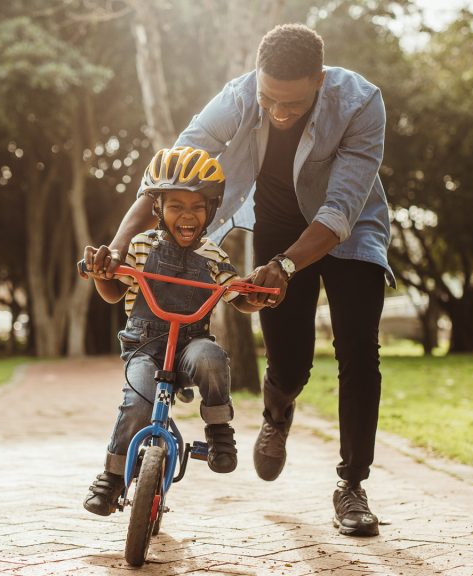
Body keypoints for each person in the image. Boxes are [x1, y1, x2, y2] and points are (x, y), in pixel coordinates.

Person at [88, 24, 395, 536]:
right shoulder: (237, 96)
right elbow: (170, 173)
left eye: (292, 104)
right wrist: (118, 246)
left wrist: (288, 267)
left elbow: (341, 208)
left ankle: (352, 485)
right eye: (269, 98)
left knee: (359, 350)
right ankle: (278, 413)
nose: (278, 112)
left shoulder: (361, 103)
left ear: (319, 80)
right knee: (291, 364)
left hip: (350, 228)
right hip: (278, 224)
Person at [80, 146, 266, 517]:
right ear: (158, 209)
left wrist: (256, 296)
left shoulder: (214, 256)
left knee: (212, 359)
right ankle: (112, 477)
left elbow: (237, 296)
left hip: (190, 344)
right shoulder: (139, 246)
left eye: (197, 207)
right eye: (176, 205)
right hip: (144, 346)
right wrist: (102, 274)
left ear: (211, 210)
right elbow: (115, 291)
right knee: (138, 401)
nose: (187, 215)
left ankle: (218, 431)